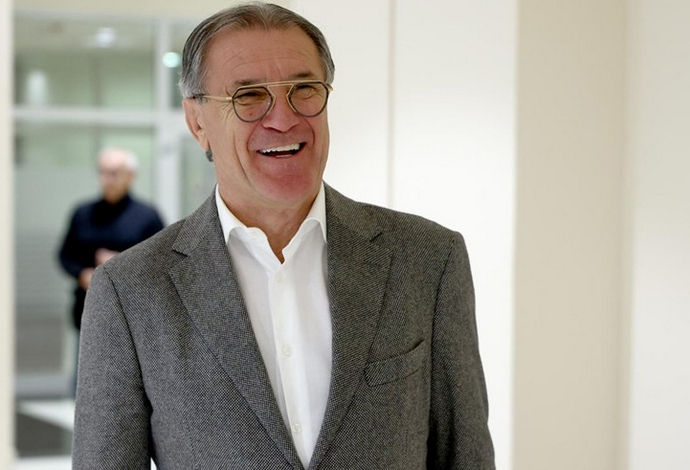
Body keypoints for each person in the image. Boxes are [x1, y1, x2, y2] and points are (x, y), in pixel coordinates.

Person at [72, 3, 495, 469]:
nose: (283, 119)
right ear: (197, 122)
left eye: (304, 90)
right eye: (249, 96)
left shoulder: (427, 260)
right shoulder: (130, 291)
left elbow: (467, 456)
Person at [58, 147, 164, 330]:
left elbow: (161, 262)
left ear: (130, 176)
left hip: (133, 312)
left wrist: (121, 264)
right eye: (102, 173)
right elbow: (66, 255)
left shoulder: (147, 217)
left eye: (113, 173)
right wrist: (82, 274)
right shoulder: (82, 214)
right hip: (88, 308)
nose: (106, 180)